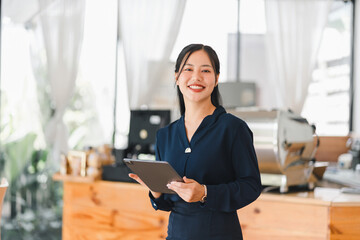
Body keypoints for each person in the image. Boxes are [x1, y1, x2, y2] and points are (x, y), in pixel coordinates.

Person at [129, 43, 262, 240]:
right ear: (176, 77)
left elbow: (251, 186)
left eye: (205, 70)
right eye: (188, 69)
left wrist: (205, 193)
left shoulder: (233, 129)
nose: (196, 77)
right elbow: (167, 203)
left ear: (216, 79)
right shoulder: (165, 135)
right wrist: (155, 191)